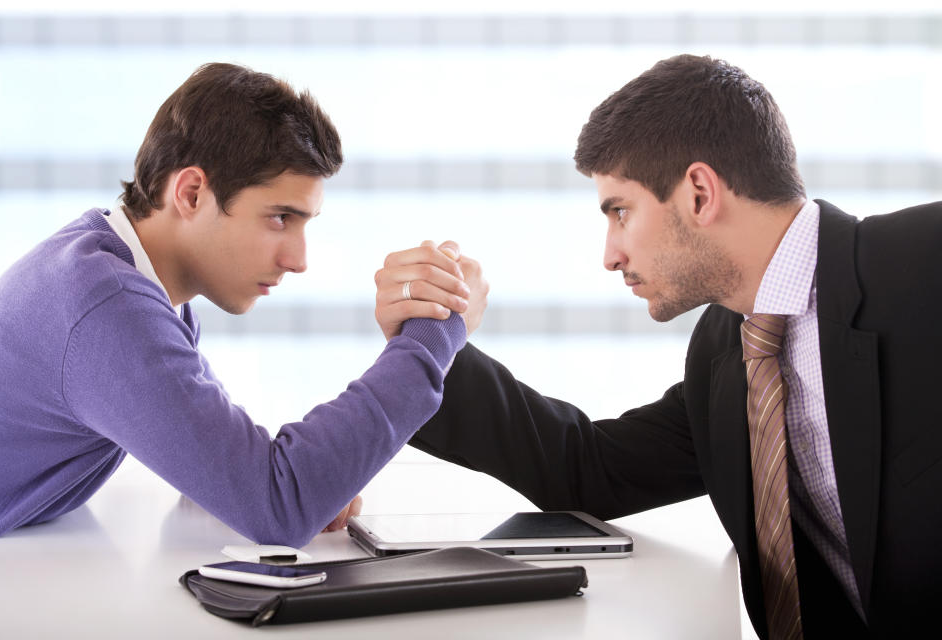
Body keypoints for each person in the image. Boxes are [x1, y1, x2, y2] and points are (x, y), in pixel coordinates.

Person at [375, 54, 941, 638]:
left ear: (698, 193)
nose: (610, 254)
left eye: (620, 211)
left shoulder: (926, 263)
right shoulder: (727, 354)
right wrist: (430, 348)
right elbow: (587, 471)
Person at [0, 62, 486, 548]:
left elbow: (226, 464)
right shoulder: (107, 308)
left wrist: (313, 480)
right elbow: (277, 503)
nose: (298, 259)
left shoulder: (121, 274)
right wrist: (437, 331)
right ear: (192, 193)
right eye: (279, 218)